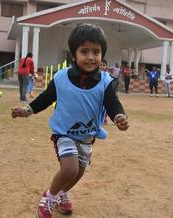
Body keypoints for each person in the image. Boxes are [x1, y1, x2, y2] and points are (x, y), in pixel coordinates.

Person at [11, 23, 129, 218]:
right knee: (70, 168)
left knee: (79, 172)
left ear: (102, 54)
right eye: (84, 51)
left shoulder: (107, 82)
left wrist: (119, 117)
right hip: (64, 133)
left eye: (96, 52)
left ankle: (62, 194)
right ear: (74, 54)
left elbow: (113, 103)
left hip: (87, 137)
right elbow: (46, 98)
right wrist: (27, 110)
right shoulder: (61, 78)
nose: (91, 57)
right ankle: (48, 198)